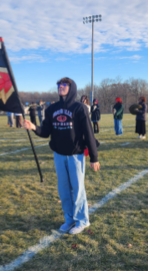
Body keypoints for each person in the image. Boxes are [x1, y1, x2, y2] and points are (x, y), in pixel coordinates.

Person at [23, 77, 100, 235]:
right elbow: (46, 132)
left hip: (75, 156)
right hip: (59, 155)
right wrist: (33, 127)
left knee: (78, 189)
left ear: (71, 87)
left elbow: (89, 133)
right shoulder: (52, 109)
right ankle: (69, 219)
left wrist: (94, 157)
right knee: (64, 190)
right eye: (58, 85)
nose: (60, 87)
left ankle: (82, 220)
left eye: (64, 85)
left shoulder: (80, 108)